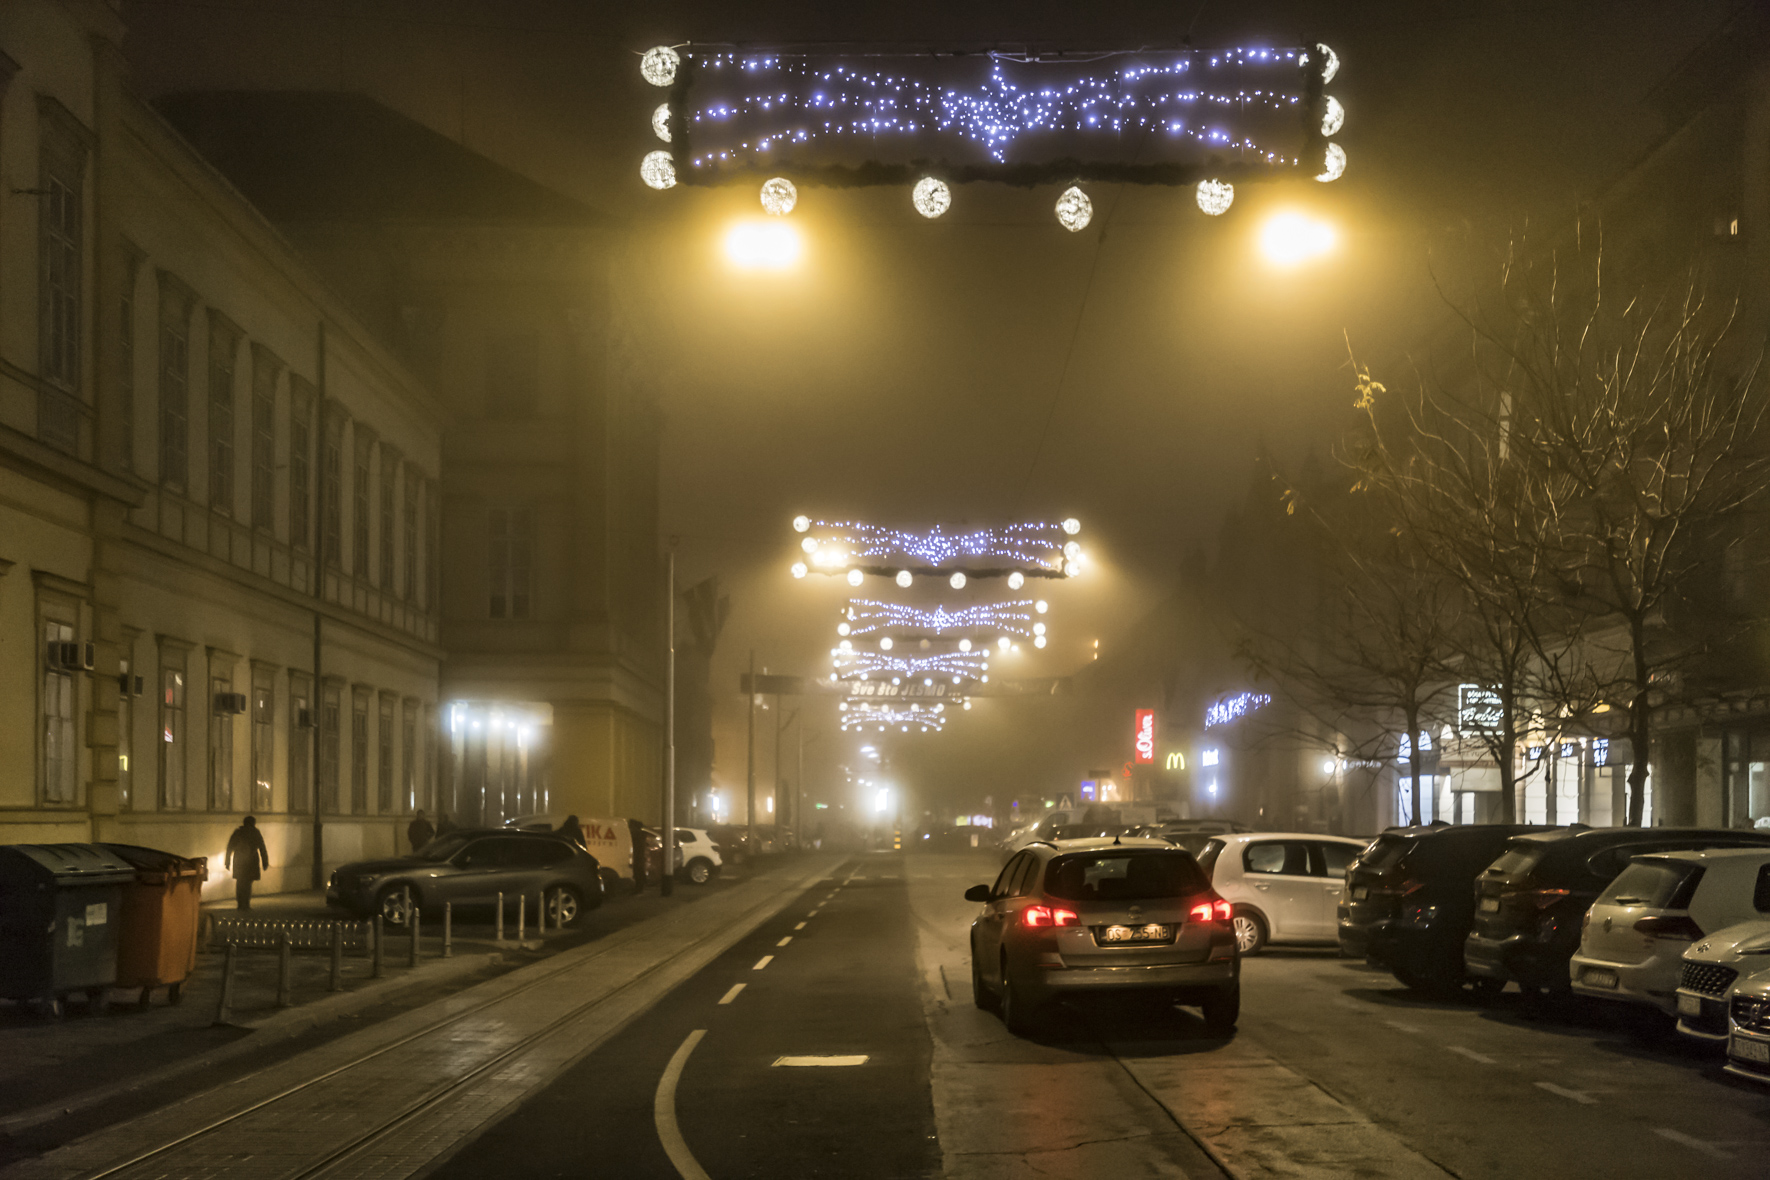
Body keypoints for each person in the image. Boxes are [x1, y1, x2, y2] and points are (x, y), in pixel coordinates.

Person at [225, 815, 270, 911]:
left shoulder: (238, 832)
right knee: (248, 883)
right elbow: (262, 848)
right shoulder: (255, 833)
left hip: (239, 860)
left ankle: (240, 903)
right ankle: (246, 903)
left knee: (240, 882)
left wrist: (227, 862)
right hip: (251, 861)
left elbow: (229, 848)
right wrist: (265, 862)